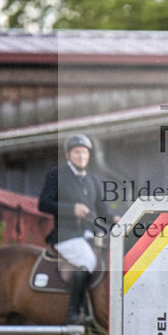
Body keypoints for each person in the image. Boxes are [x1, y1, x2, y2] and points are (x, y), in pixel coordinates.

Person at [38, 134, 108, 324]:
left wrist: (117, 218)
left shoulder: (93, 180)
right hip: (66, 235)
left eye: (84, 152)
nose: (81, 156)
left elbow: (104, 212)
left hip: (90, 234)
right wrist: (71, 209)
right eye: (77, 152)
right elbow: (43, 204)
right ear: (68, 155)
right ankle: (75, 313)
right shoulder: (56, 175)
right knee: (88, 260)